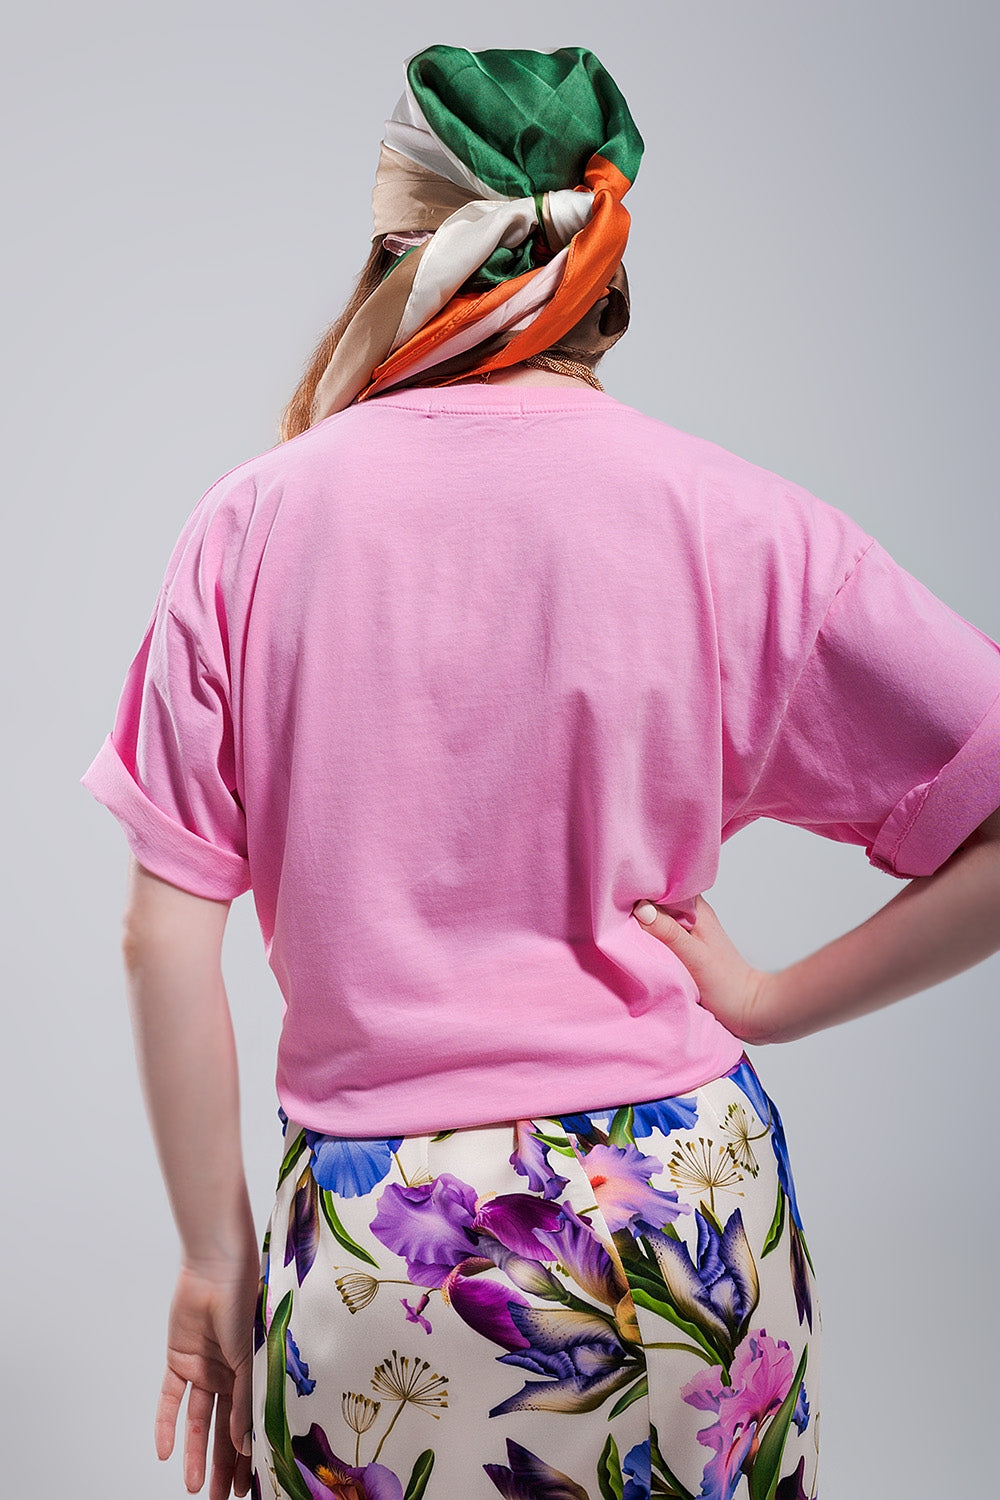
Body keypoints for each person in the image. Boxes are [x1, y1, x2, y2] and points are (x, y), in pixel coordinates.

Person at [82, 44, 1000, 1500]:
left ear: (397, 248)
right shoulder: (734, 522)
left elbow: (160, 936)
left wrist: (213, 1256)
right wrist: (771, 1002)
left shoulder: (251, 527)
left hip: (381, 1255)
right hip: (687, 1235)